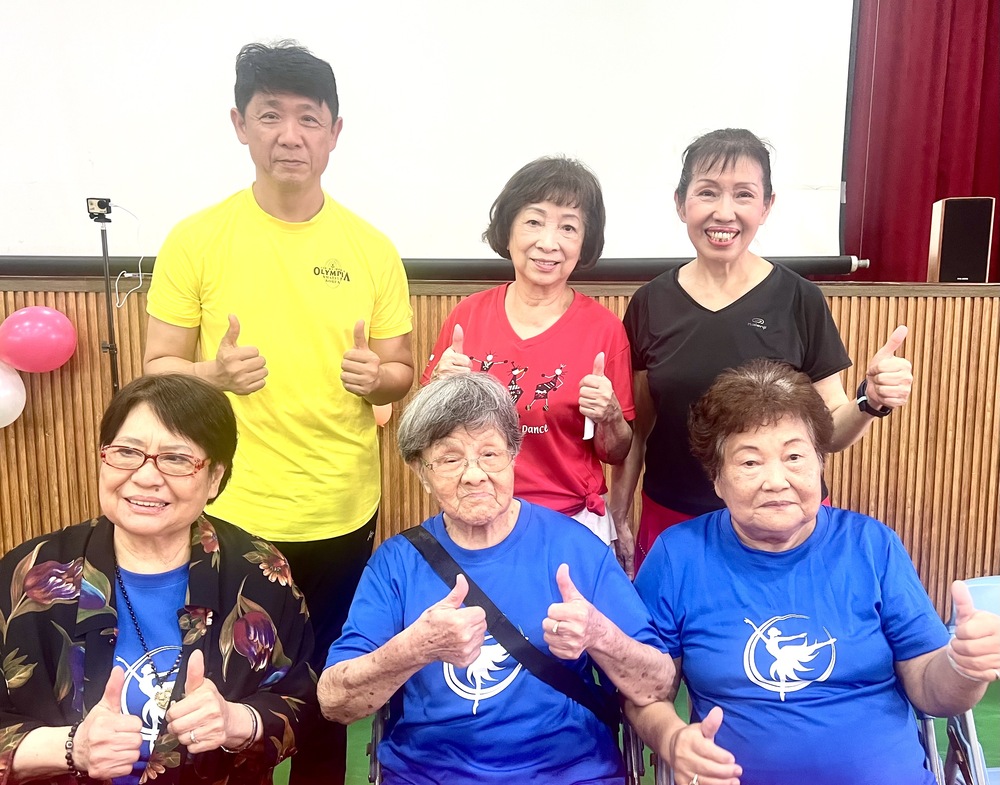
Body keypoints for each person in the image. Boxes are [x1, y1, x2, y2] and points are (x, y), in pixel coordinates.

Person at [143, 41, 414, 782]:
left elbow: (400, 370)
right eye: (270, 115)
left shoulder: (371, 247)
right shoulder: (197, 239)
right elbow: (157, 366)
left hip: (341, 506)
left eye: (308, 118)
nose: (289, 135)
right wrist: (212, 373)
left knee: (327, 689)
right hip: (230, 508)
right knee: (230, 690)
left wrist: (379, 378)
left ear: (335, 132)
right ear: (240, 124)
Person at [627, 359, 1000, 785]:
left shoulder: (871, 546)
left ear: (820, 464)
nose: (776, 480)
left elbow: (932, 690)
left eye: (794, 457)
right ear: (717, 479)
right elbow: (644, 691)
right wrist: (672, 738)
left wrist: (965, 668)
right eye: (750, 463)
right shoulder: (678, 556)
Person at [319, 374, 672, 784]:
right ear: (421, 472)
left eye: (489, 453)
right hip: (431, 775)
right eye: (450, 459)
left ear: (514, 455)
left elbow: (658, 684)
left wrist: (599, 634)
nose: (474, 474)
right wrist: (413, 648)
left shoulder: (575, 547)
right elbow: (335, 702)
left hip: (570, 773)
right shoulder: (396, 564)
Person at [610, 128, 913, 576]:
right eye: (707, 192)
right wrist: (618, 510)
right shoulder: (650, 303)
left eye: (744, 194)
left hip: (782, 521)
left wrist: (871, 401)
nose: (724, 212)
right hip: (675, 518)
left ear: (766, 206)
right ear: (681, 203)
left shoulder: (799, 299)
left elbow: (828, 431)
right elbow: (639, 429)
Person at [0, 374, 314, 784]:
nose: (146, 477)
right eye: (127, 452)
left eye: (177, 459)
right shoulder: (31, 574)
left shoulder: (258, 572)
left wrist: (237, 721)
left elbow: (303, 702)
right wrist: (70, 747)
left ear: (215, 477)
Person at [423, 156, 634, 555]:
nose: (548, 242)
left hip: (570, 525)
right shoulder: (467, 316)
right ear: (508, 230)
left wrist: (609, 416)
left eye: (568, 227)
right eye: (534, 221)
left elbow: (614, 452)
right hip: (476, 519)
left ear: (584, 243)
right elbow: (428, 438)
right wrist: (438, 391)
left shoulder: (604, 329)